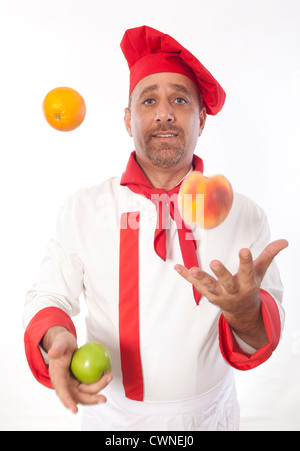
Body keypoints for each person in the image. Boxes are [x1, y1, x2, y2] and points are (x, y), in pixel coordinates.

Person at [23, 25, 288, 431]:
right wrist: (57, 339)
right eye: (149, 100)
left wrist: (246, 314)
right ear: (129, 120)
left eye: (179, 99)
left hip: (209, 419)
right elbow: (48, 295)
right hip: (111, 420)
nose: (164, 112)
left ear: (201, 118)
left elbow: (262, 336)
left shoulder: (244, 215)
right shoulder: (82, 209)